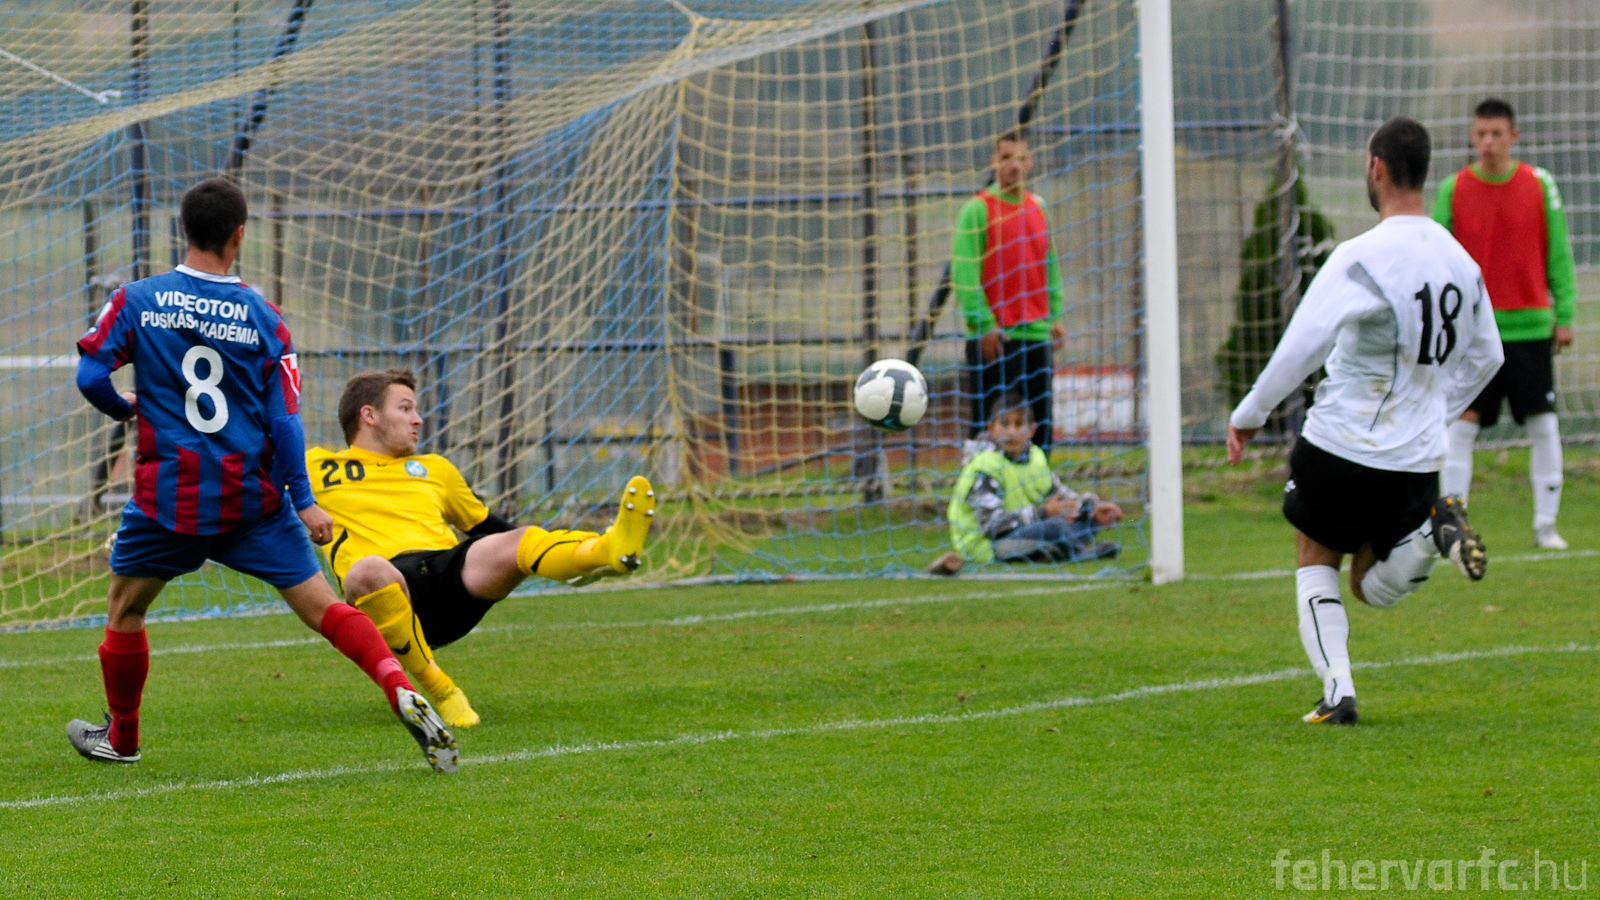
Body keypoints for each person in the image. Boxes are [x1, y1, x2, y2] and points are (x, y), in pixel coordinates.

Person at [69, 178, 457, 772]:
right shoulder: (264, 317)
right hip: (252, 499)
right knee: (324, 608)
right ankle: (397, 684)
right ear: (239, 235)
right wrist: (303, 500)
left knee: (125, 609)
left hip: (170, 500)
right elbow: (285, 420)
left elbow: (91, 376)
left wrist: (125, 407)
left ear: (183, 229)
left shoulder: (136, 300)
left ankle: (123, 739)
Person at [1228, 116, 1504, 725]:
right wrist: (1434, 406)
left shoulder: (1360, 257)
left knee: (1316, 558)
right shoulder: (1461, 262)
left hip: (1341, 442)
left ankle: (1339, 693)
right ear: (1424, 171)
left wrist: (1249, 414)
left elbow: (1303, 344)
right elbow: (1490, 355)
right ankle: (1432, 535)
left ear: (1376, 168)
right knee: (1368, 581)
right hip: (1417, 457)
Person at [307, 370, 656, 728]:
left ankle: (606, 550)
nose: (418, 419)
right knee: (367, 570)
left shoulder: (435, 469)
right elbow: (273, 500)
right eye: (406, 408)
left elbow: (487, 526)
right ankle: (443, 692)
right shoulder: (315, 467)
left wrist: (543, 557)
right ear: (369, 415)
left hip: (448, 576)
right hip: (383, 592)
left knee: (521, 539)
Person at [1432, 98, 1578, 550]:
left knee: (1543, 424)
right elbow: (1435, 259)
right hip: (1473, 332)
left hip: (1529, 328)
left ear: (1514, 136)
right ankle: (1453, 526)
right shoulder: (1453, 189)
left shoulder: (1540, 185)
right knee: (1462, 424)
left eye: (1497, 133)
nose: (1488, 142)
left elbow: (1559, 253)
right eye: (1481, 134)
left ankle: (1545, 525)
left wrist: (1564, 314)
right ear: (1471, 137)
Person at [951, 128, 1068, 454]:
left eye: (1021, 157)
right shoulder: (978, 210)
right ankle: (980, 484)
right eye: (1006, 157)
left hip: (1036, 337)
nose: (1014, 165)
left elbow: (1049, 265)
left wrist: (1055, 316)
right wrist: (984, 324)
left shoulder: (1038, 207)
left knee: (1038, 431)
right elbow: (964, 273)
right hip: (996, 340)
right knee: (988, 430)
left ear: (1030, 162)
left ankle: (1039, 485)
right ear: (994, 161)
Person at [929, 391, 1120, 575]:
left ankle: (1053, 550)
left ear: (1031, 430)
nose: (1011, 431)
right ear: (991, 429)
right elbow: (992, 526)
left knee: (1082, 517)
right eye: (1005, 424)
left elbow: (1059, 494)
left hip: (1024, 531)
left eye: (1019, 424)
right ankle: (1078, 552)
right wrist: (1042, 513)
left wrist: (1091, 508)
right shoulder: (984, 466)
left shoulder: (1035, 458)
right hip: (988, 544)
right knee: (1055, 527)